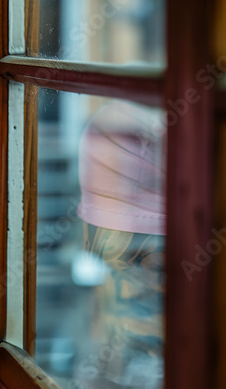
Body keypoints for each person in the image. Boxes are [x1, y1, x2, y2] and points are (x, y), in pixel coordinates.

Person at [77, 100, 165, 388]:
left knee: (115, 310)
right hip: (130, 227)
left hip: (118, 226)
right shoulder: (120, 117)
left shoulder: (114, 115)